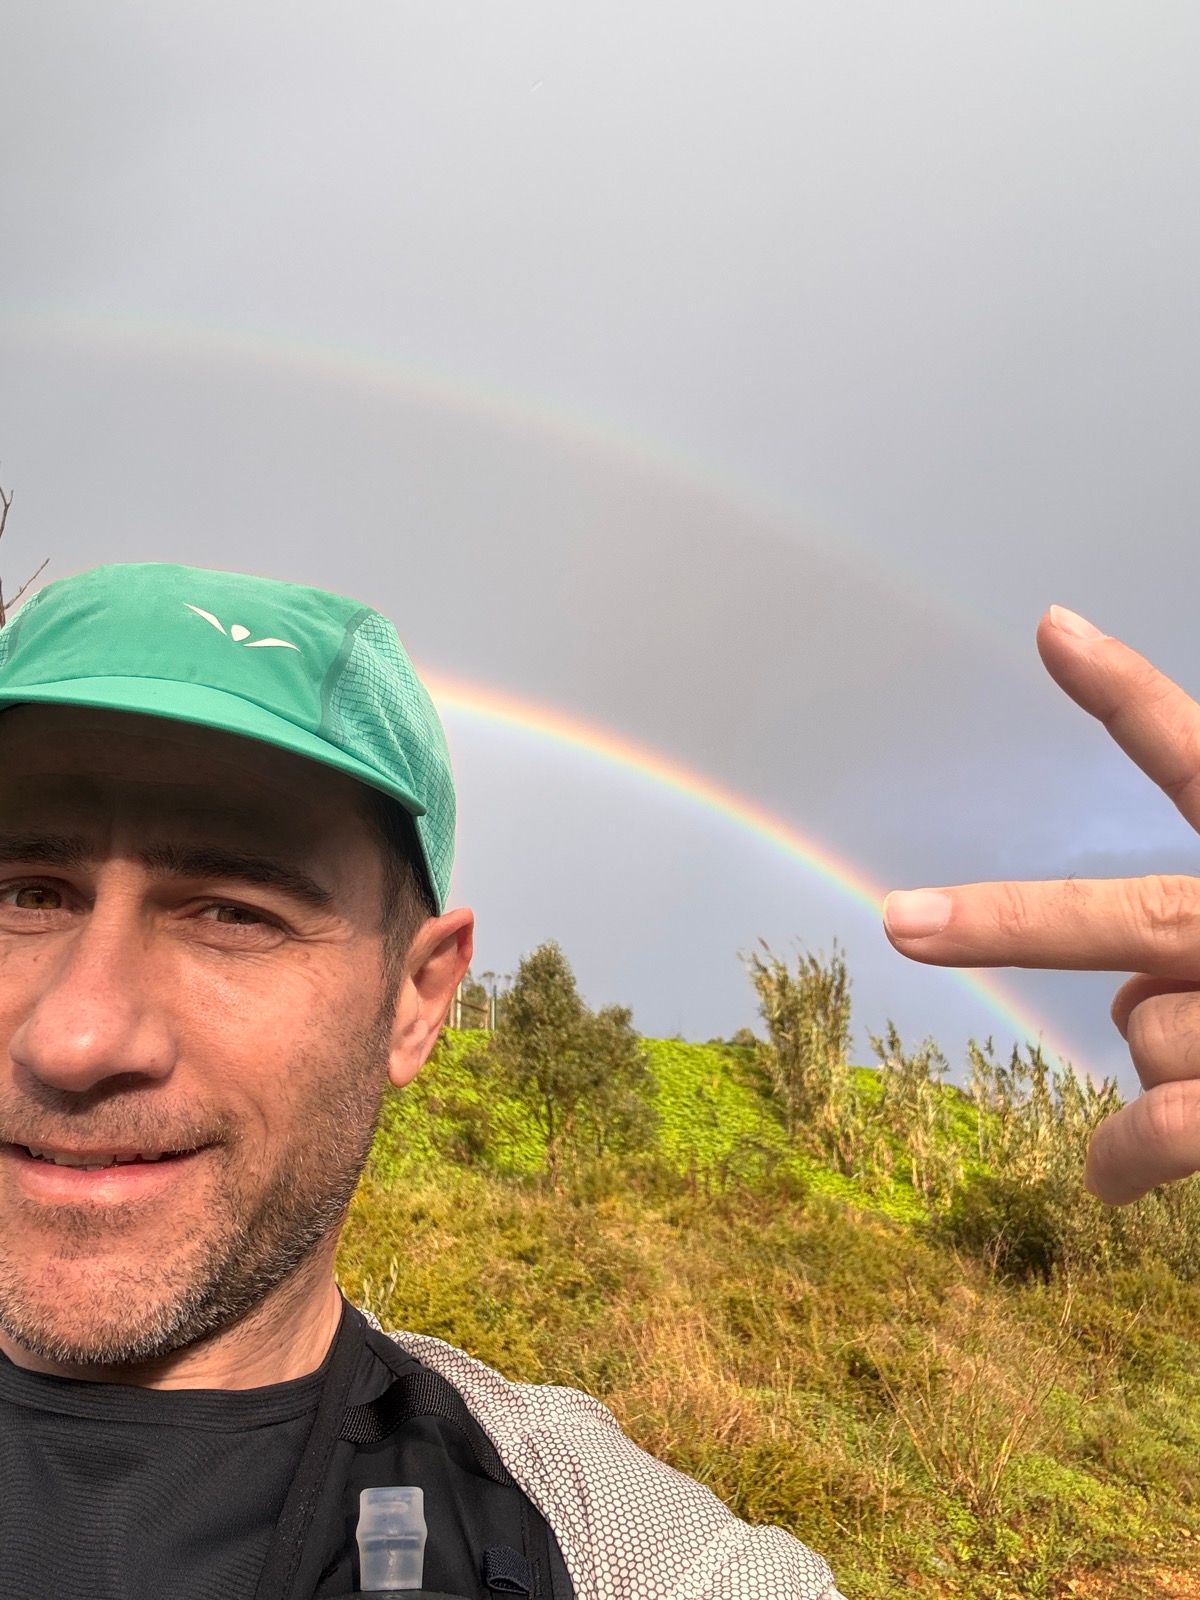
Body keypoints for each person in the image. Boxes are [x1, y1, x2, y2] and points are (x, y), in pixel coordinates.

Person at [0, 570, 1190, 1599]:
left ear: (417, 999)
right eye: (25, 893)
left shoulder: (596, 1541)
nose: (77, 1033)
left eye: (230, 912)